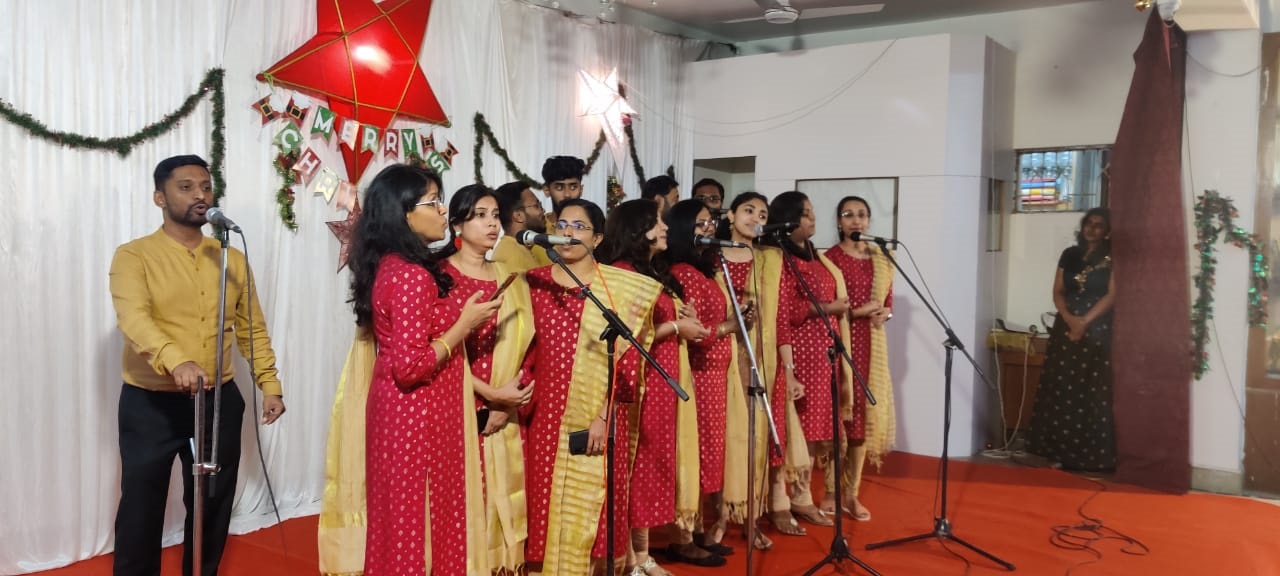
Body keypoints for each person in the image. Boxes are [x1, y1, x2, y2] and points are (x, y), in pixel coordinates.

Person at [109, 154, 285, 576]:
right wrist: (177, 360)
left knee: (212, 502)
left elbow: (251, 326)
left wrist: (270, 383)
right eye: (185, 187)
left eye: (205, 186)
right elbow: (134, 320)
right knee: (141, 505)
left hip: (218, 401)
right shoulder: (134, 256)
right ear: (160, 197)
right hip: (150, 404)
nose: (200, 195)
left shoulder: (230, 258)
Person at [346, 164, 509, 574]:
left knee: (403, 521)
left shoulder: (393, 265)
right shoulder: (412, 276)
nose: (442, 211)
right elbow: (411, 367)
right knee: (416, 525)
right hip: (417, 417)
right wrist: (463, 325)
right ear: (404, 213)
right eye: (433, 202)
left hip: (407, 413)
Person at [520, 199, 662, 576]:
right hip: (542, 415)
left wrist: (604, 416)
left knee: (592, 511)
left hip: (597, 416)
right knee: (543, 504)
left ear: (597, 239)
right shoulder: (533, 283)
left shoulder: (617, 289)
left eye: (578, 226)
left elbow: (627, 365)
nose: (567, 232)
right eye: (561, 224)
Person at [597, 200, 716, 573]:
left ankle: (642, 554)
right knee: (638, 467)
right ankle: (632, 558)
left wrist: (685, 318)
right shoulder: (621, 272)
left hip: (665, 380)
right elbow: (625, 335)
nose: (665, 228)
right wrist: (677, 327)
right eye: (657, 222)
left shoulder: (654, 271)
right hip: (641, 381)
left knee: (650, 468)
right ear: (637, 230)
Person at [440, 184, 536, 571]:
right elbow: (437, 351)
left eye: (495, 215)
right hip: (455, 404)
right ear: (457, 224)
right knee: (462, 494)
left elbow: (528, 343)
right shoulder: (441, 277)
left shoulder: (511, 277)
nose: (492, 224)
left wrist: (505, 401)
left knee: (502, 495)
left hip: (505, 408)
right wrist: (488, 395)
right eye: (480, 215)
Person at [761, 191, 852, 532]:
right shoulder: (779, 258)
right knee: (791, 428)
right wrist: (829, 308)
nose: (814, 219)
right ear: (788, 221)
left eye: (813, 212)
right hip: (797, 352)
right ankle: (780, 500)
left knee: (813, 430)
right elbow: (784, 309)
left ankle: (803, 496)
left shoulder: (815, 256)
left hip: (824, 354)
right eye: (807, 213)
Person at [666, 199, 750, 558]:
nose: (709, 228)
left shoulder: (706, 270)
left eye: (710, 222)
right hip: (698, 374)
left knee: (710, 454)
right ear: (683, 229)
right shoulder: (684, 272)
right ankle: (683, 537)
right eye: (700, 224)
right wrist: (731, 325)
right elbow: (696, 332)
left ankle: (698, 528)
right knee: (696, 454)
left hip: (715, 376)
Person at [715, 192, 787, 549]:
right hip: (720, 357)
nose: (756, 217)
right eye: (748, 210)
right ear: (730, 215)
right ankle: (719, 516)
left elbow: (782, 318)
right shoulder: (710, 256)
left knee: (757, 439)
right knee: (723, 439)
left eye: (762, 214)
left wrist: (790, 370)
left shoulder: (771, 260)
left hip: (761, 359)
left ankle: (752, 518)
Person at [824, 196, 897, 521]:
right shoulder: (830, 259)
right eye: (848, 214)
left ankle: (850, 494)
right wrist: (856, 313)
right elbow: (826, 310)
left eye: (862, 215)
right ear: (839, 221)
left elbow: (887, 301)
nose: (856, 220)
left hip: (872, 346)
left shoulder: (882, 258)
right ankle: (830, 491)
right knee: (837, 416)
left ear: (869, 221)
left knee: (862, 422)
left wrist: (885, 313)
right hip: (840, 344)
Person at [1027, 207, 1116, 472]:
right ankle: (1056, 452)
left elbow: (1112, 294)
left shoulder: (1113, 258)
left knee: (1090, 390)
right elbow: (1058, 291)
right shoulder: (1070, 254)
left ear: (1107, 231)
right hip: (1065, 328)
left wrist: (1084, 322)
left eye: (1098, 225)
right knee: (1061, 386)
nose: (1091, 228)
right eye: (1088, 223)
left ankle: (1089, 458)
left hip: (1097, 329)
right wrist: (1069, 318)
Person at [493, 180, 547, 271]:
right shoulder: (511, 255)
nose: (543, 210)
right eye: (536, 205)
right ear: (518, 216)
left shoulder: (517, 249)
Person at [541, 155, 586, 233]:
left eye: (573, 187)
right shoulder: (537, 228)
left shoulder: (593, 226)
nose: (567, 195)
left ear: (581, 189)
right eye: (559, 187)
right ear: (547, 190)